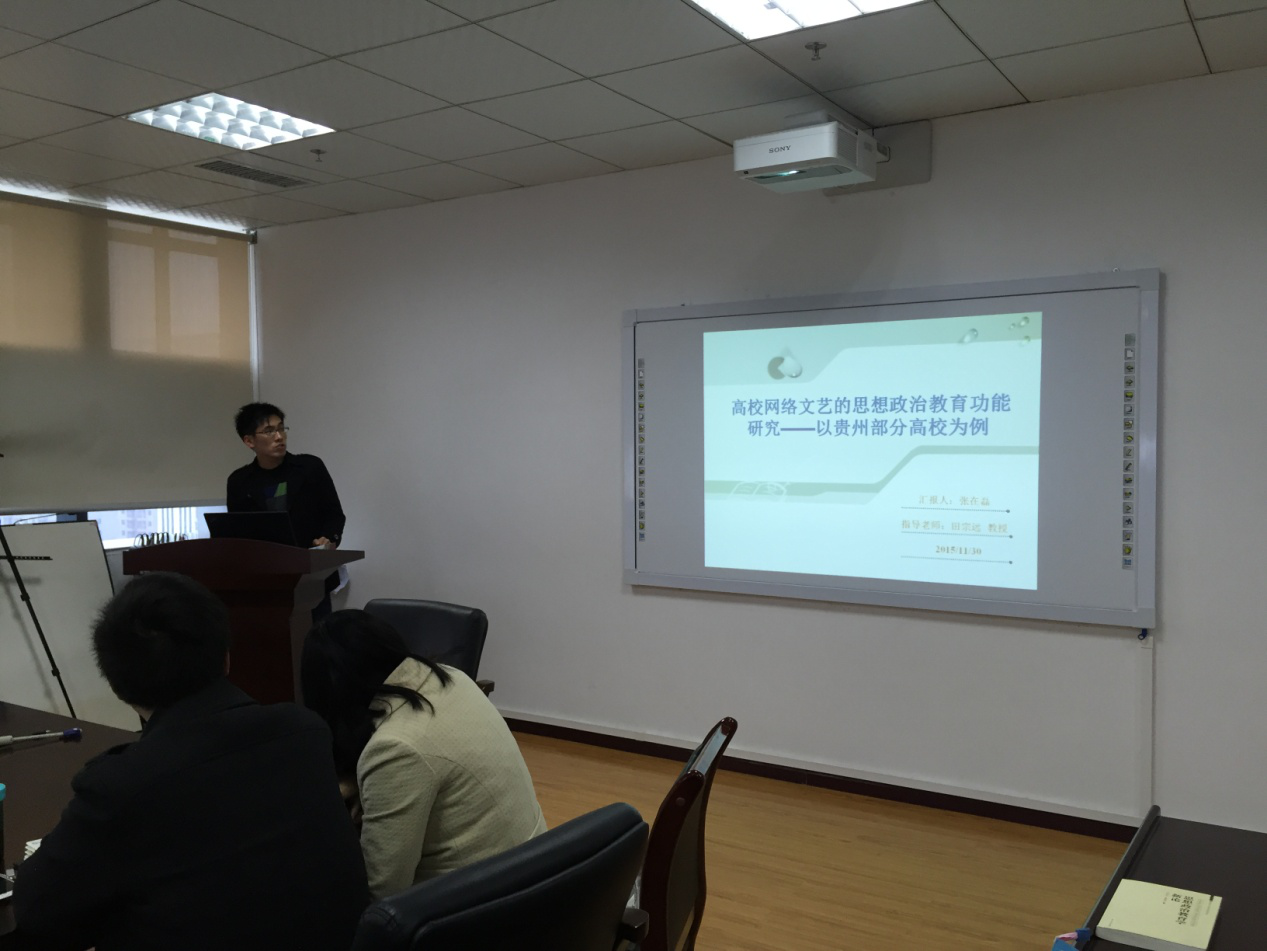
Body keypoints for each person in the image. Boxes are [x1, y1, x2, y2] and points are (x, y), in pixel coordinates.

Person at [11, 573, 369, 951]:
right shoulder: (304, 732)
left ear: (117, 685)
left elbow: (36, 910)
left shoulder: (122, 786)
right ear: (226, 658)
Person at [301, 609, 547, 899]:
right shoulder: (454, 678)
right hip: (534, 871)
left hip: (484, 904)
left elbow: (381, 891)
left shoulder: (395, 747)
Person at [227, 401, 345, 550]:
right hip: (266, 561)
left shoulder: (309, 467)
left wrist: (328, 538)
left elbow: (334, 515)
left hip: (311, 558)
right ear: (249, 441)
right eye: (269, 431)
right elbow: (236, 532)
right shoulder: (239, 481)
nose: (279, 437)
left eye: (281, 429)